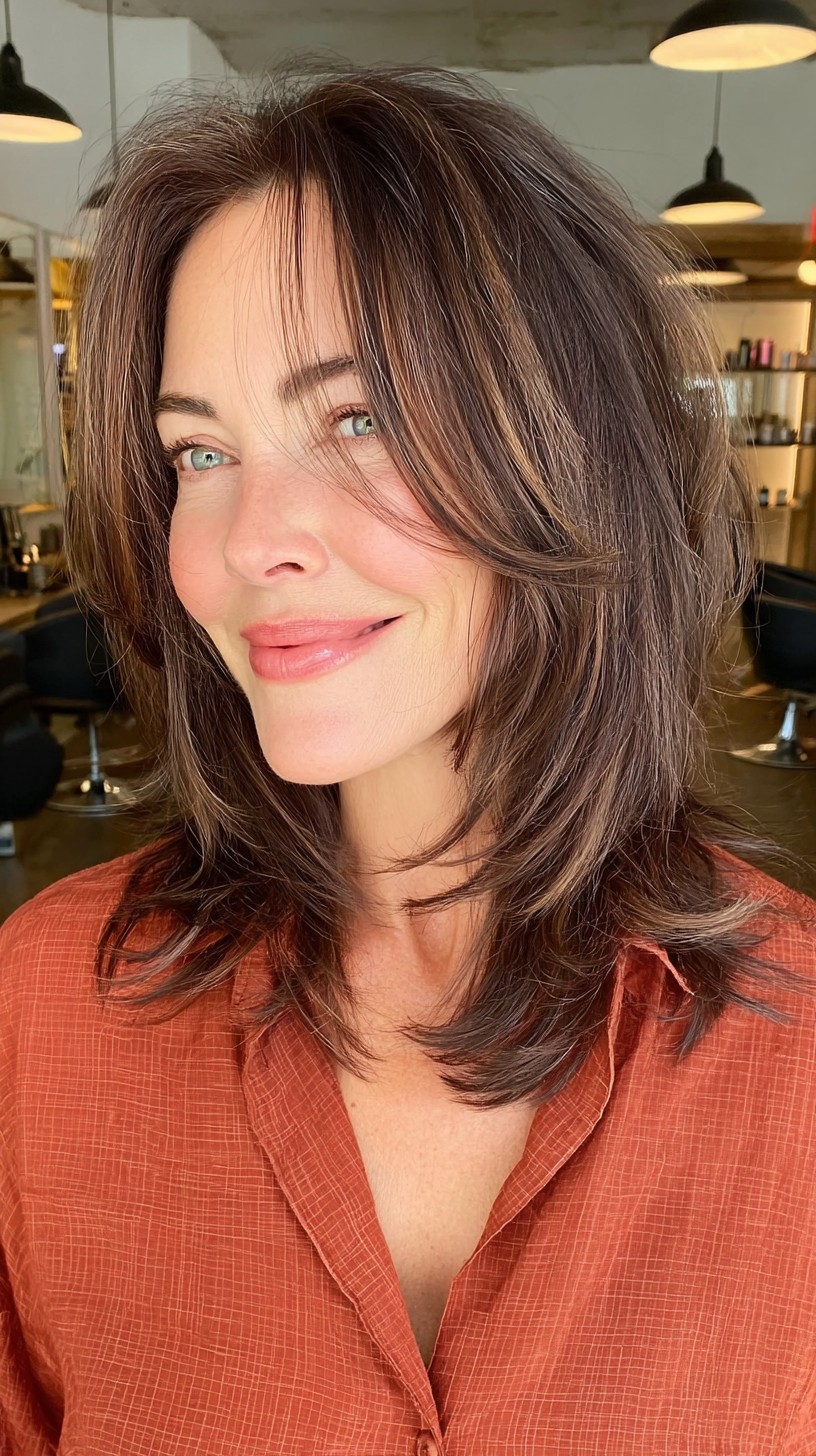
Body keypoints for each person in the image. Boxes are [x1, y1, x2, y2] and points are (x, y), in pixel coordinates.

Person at [1, 62, 815, 1455]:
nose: (252, 542)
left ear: (574, 453)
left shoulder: (793, 1059)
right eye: (199, 453)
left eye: (359, 419)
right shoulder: (47, 1011)